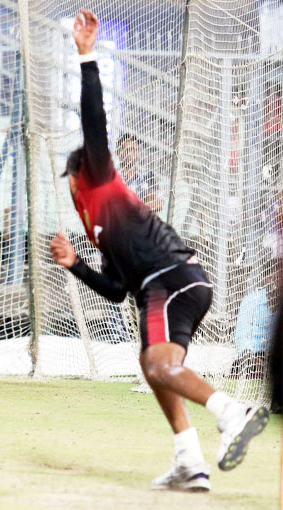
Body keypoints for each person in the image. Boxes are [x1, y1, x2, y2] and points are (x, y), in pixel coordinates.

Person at [50, 10, 269, 492]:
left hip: (170, 281)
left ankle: (234, 412)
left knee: (159, 366)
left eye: (69, 180)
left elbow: (93, 120)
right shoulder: (98, 230)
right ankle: (189, 461)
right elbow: (113, 291)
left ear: (79, 174)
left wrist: (86, 56)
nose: (68, 189)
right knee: (154, 367)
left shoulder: (103, 184)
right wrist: (76, 265)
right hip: (172, 286)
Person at [232, 259, 279, 379]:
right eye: (271, 276)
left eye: (279, 276)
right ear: (265, 279)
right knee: (242, 367)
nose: (274, 281)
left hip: (276, 356)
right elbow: (241, 337)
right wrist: (253, 358)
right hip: (252, 357)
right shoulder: (251, 301)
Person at [114, 134, 162, 213]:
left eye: (133, 149)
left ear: (138, 152)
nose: (129, 154)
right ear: (118, 152)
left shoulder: (148, 176)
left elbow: (158, 203)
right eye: (126, 150)